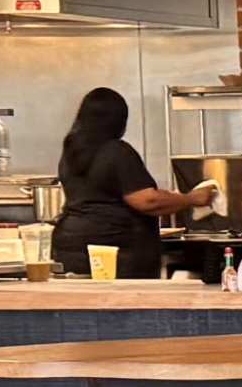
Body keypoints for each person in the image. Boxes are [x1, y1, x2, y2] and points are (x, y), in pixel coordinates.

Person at [48, 87, 196, 277]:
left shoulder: (71, 152)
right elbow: (147, 201)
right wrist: (191, 199)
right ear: (118, 121)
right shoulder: (117, 151)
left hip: (70, 246)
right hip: (114, 251)